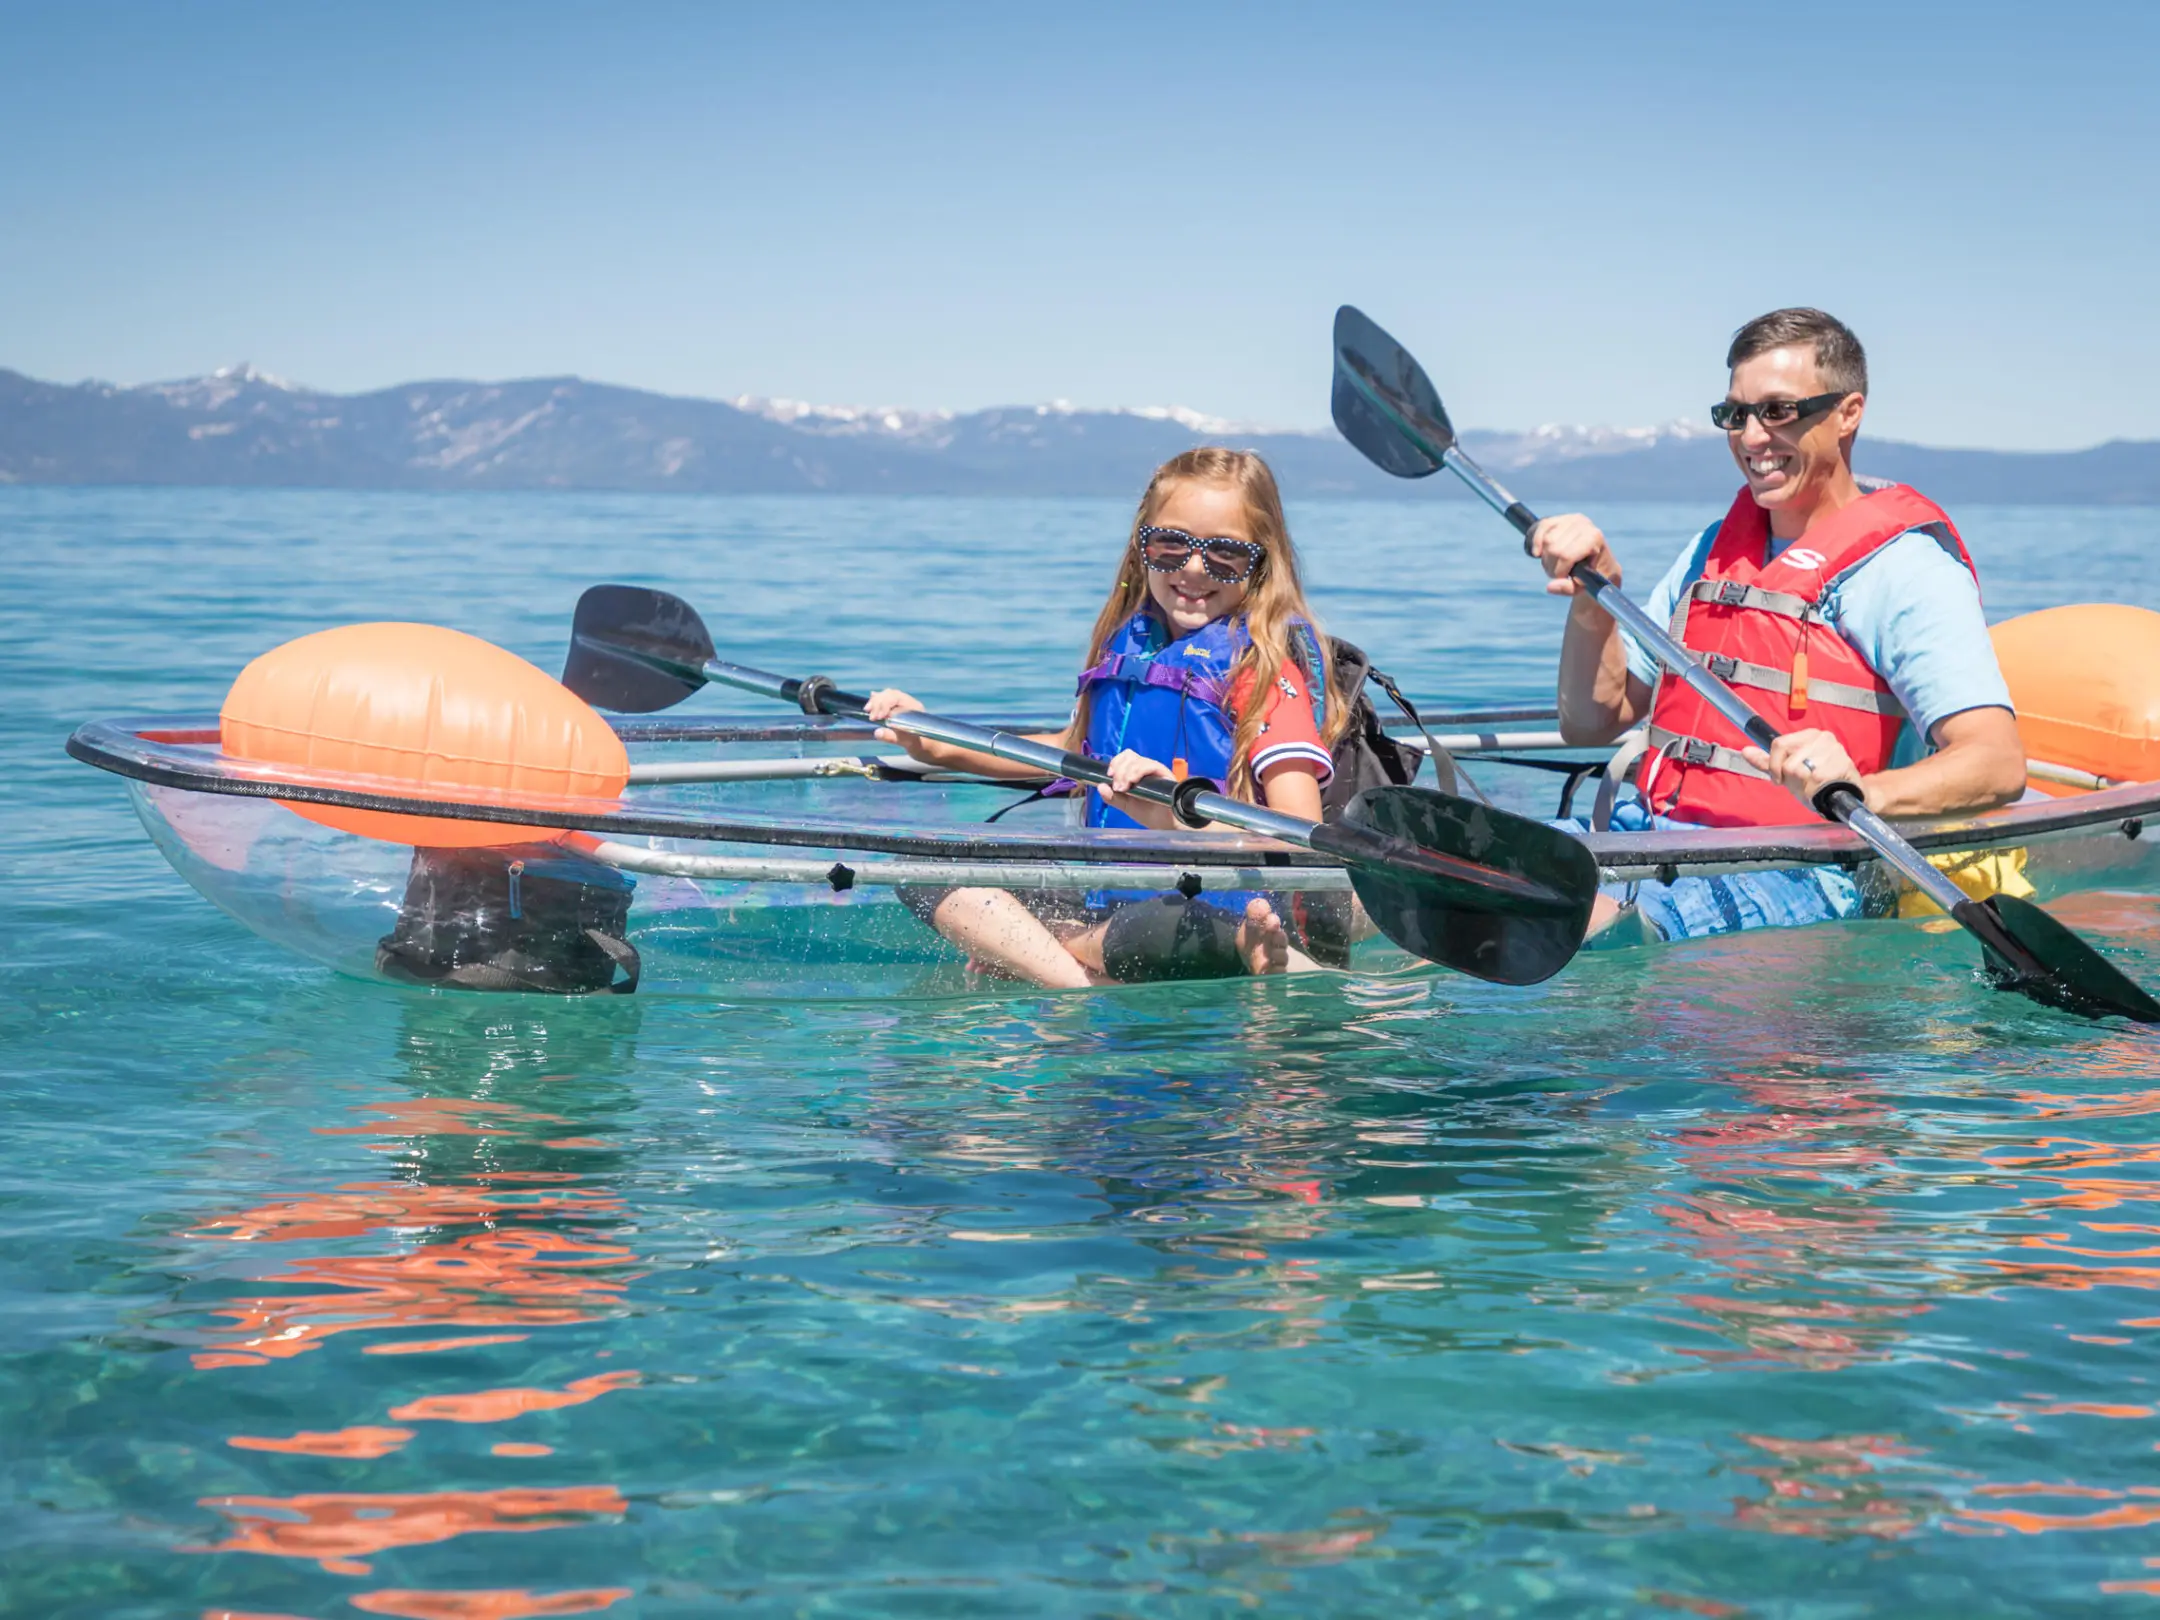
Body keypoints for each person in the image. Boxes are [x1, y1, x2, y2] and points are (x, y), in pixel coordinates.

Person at [1528, 307, 2027, 941]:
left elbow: (1997, 763)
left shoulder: (1906, 573)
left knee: (1580, 927)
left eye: (1778, 410)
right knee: (1459, 864)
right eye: (1735, 415)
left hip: (1803, 864)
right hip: (1643, 834)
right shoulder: (1711, 551)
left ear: (1848, 412)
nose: (1752, 436)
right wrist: (1592, 600)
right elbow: (1590, 722)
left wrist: (1861, 790)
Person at [863, 447, 1349, 988]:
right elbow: (1074, 752)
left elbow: (1302, 833)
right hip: (1107, 892)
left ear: (1260, 562)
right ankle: (1083, 971)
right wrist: (935, 744)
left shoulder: (1261, 671)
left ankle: (1061, 969)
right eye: (1170, 545)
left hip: (1209, 902)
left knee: (1167, 926)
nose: (1192, 568)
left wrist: (1174, 816)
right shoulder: (1128, 644)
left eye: (1224, 554)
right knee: (921, 866)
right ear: (1142, 546)